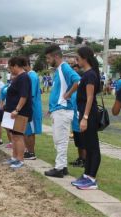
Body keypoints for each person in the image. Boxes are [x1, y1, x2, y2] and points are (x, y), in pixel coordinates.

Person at [44, 45, 80, 178]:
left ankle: (59, 168)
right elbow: (58, 91)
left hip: (63, 110)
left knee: (61, 140)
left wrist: (68, 94)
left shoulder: (64, 68)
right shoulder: (59, 70)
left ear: (56, 56)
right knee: (58, 140)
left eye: (48, 58)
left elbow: (78, 81)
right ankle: (62, 167)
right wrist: (52, 107)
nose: (47, 61)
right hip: (58, 109)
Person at [71, 46, 101, 190]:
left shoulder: (90, 75)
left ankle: (92, 179)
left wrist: (85, 118)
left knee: (93, 147)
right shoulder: (87, 74)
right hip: (84, 113)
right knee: (88, 146)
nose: (76, 61)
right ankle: (86, 175)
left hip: (89, 114)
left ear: (85, 58)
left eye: (78, 58)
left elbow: (90, 98)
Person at [3, 57, 32, 169]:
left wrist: (17, 109)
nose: (10, 70)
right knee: (14, 136)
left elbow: (24, 96)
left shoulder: (24, 78)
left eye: (10, 67)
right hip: (12, 111)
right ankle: (14, 158)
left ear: (16, 66)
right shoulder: (18, 77)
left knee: (19, 136)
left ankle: (20, 159)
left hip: (20, 112)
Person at [23, 61, 42, 160]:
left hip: (31, 107)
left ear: (26, 65)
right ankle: (28, 150)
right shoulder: (30, 75)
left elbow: (31, 94)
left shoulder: (32, 76)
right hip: (30, 106)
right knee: (27, 130)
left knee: (30, 131)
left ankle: (31, 152)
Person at [0, 83, 12, 148]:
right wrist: (1, 104)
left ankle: (16, 143)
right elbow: (1, 96)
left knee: (15, 128)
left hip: (15, 108)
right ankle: (11, 142)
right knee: (7, 126)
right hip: (7, 107)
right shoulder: (7, 85)